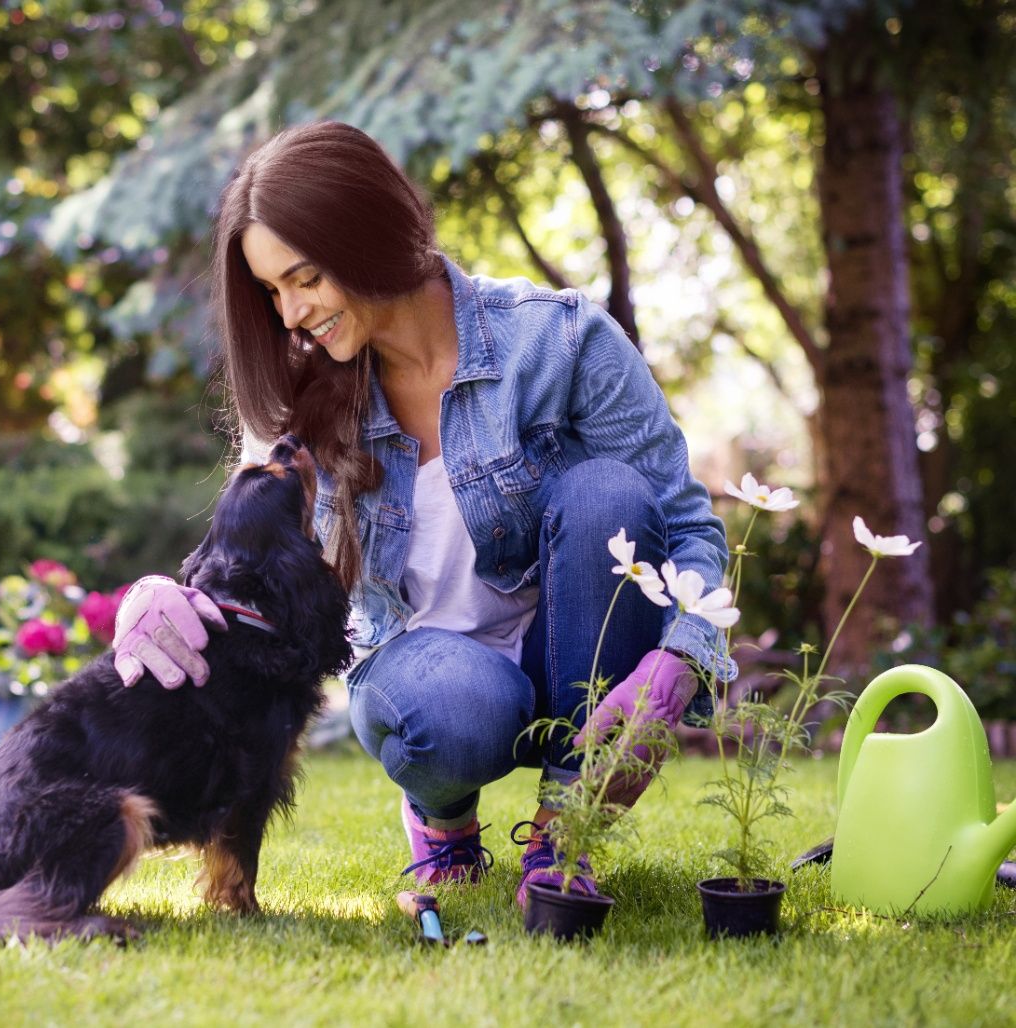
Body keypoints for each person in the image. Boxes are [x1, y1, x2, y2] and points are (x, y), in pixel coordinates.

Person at [112, 121, 732, 907]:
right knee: (453, 709)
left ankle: (565, 831)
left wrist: (683, 657)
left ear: (367, 236)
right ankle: (443, 822)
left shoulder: (561, 340)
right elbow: (242, 546)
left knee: (611, 492)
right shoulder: (305, 385)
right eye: (272, 292)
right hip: (427, 676)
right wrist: (156, 594)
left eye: (304, 279)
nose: (291, 314)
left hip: (569, 656)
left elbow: (686, 524)